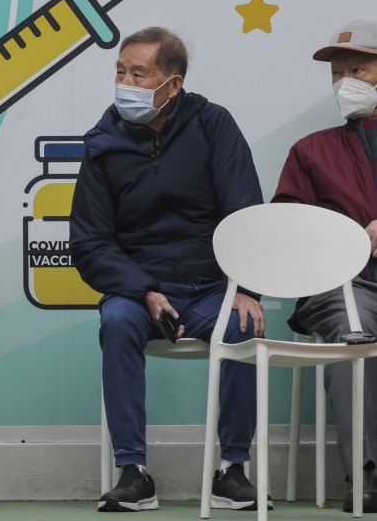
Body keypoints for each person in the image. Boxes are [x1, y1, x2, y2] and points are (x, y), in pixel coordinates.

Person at [69, 27, 269, 512]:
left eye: (139, 74)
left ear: (173, 84)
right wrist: (144, 291)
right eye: (120, 71)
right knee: (115, 323)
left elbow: (245, 213)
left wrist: (246, 289)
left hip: (209, 288)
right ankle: (134, 472)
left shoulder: (212, 124)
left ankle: (232, 469)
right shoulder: (101, 144)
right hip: (140, 292)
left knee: (244, 325)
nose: (125, 83)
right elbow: (90, 241)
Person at [272, 19, 377, 513]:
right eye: (337, 74)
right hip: (344, 287)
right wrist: (355, 240)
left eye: (358, 69)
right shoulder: (310, 151)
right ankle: (369, 475)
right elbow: (288, 236)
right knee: (354, 334)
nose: (346, 82)